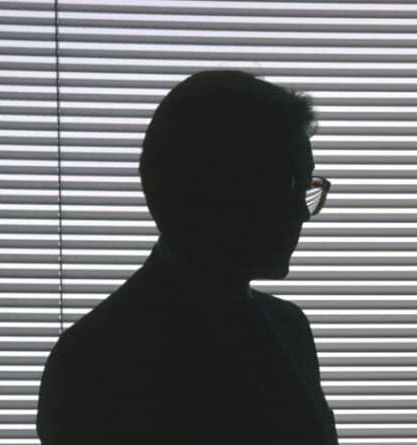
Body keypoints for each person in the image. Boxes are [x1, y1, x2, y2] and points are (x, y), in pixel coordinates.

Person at [36, 71, 337, 444]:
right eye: (289, 183)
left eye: (308, 186)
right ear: (218, 183)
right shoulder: (95, 361)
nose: (302, 213)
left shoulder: (290, 328)